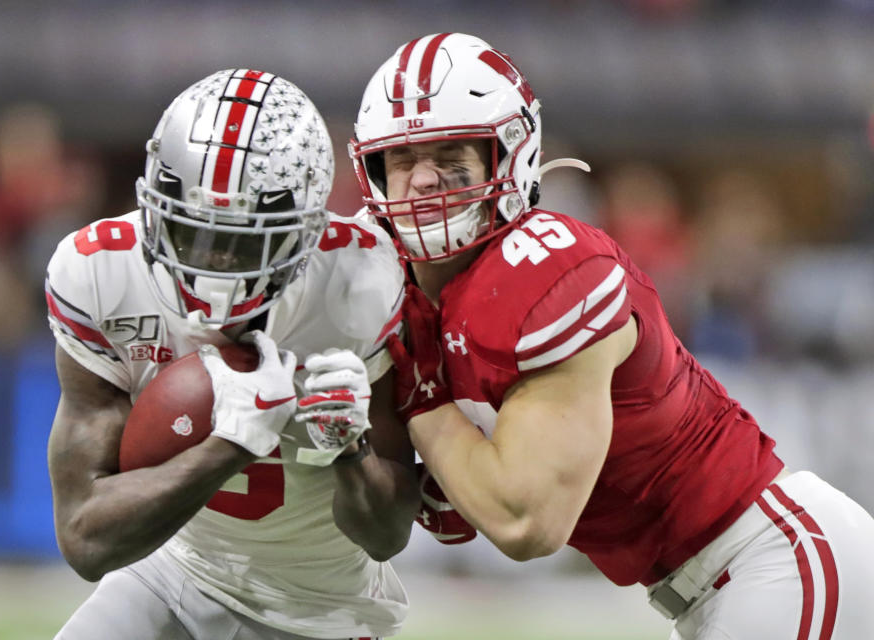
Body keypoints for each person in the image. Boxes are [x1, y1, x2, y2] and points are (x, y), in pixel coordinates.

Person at [347, 33, 874, 639]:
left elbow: (526, 522)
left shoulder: (547, 270)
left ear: (509, 155)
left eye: (450, 156)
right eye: (402, 158)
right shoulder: (410, 298)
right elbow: (458, 506)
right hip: (721, 583)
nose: (422, 181)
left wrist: (421, 394)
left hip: (772, 557)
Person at [45, 68, 420, 640]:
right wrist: (232, 444)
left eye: (242, 240)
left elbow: (387, 536)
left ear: (309, 231)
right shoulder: (99, 274)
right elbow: (85, 539)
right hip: (171, 573)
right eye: (189, 229)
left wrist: (351, 449)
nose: (210, 262)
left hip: (321, 610)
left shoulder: (359, 284)